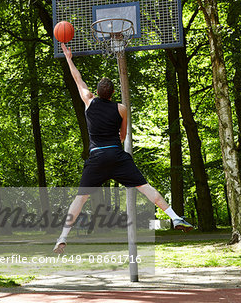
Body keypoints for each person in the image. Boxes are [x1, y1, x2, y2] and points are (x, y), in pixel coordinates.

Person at [53, 43, 193, 253]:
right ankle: (174, 217)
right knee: (145, 188)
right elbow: (123, 135)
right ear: (112, 93)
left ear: (97, 92)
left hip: (96, 157)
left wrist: (69, 58)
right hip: (116, 155)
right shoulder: (121, 108)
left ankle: (62, 238)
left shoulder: (89, 101)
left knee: (80, 199)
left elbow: (77, 79)